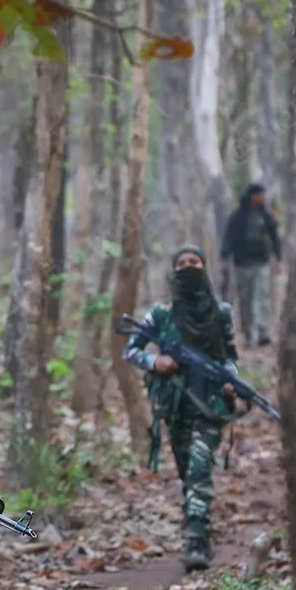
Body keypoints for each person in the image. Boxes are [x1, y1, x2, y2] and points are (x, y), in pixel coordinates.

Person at [124, 245, 240, 571]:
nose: (189, 267)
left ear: (205, 267)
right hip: (175, 403)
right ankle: (197, 518)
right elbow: (131, 351)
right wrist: (155, 361)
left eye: (195, 262)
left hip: (212, 401)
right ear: (173, 271)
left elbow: (229, 355)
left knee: (201, 466)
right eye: (182, 263)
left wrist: (232, 381)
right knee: (188, 470)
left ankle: (196, 538)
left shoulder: (221, 312)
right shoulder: (161, 314)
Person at [220, 182, 281, 347]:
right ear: (252, 196)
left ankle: (262, 333)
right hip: (242, 264)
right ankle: (248, 334)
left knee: (261, 297)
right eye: (259, 194)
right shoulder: (238, 216)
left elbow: (275, 236)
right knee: (245, 299)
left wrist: (278, 258)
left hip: (261, 263)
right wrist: (224, 257)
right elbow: (228, 237)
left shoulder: (265, 215)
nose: (262, 198)